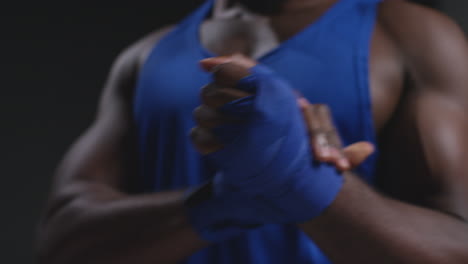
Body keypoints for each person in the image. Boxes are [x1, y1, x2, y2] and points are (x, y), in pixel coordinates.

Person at [36, 0, 468, 263]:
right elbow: (63, 243)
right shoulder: (147, 55)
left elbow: (457, 247)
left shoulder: (412, 37)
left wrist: (302, 180)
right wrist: (230, 200)